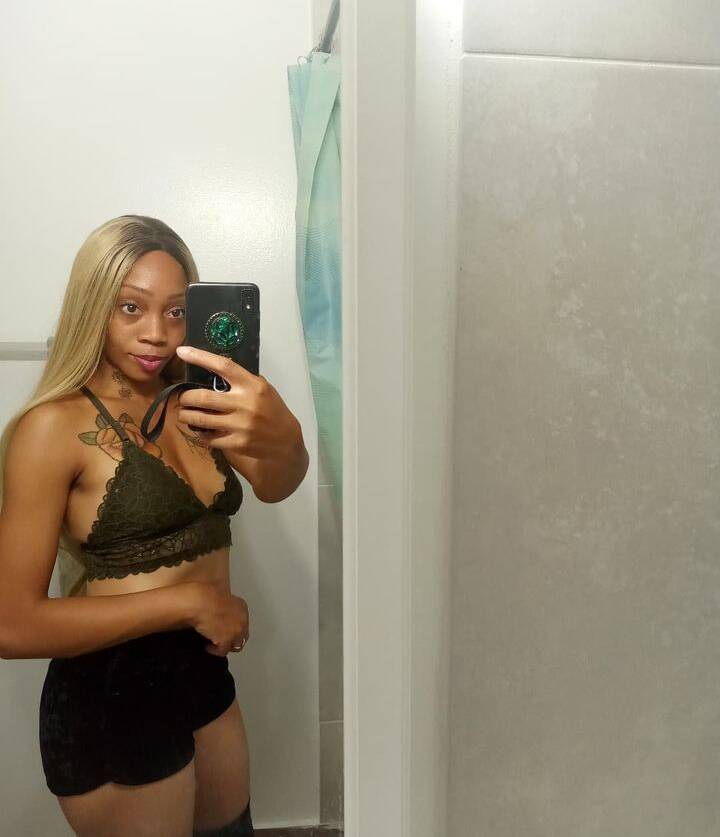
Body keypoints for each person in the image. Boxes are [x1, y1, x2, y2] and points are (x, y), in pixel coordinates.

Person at [0, 215, 309, 836]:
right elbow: (11, 624)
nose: (157, 334)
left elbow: (278, 484)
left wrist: (284, 433)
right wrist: (191, 602)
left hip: (202, 674)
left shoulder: (196, 402)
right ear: (93, 307)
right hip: (113, 694)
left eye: (175, 312)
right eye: (130, 307)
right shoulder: (53, 427)